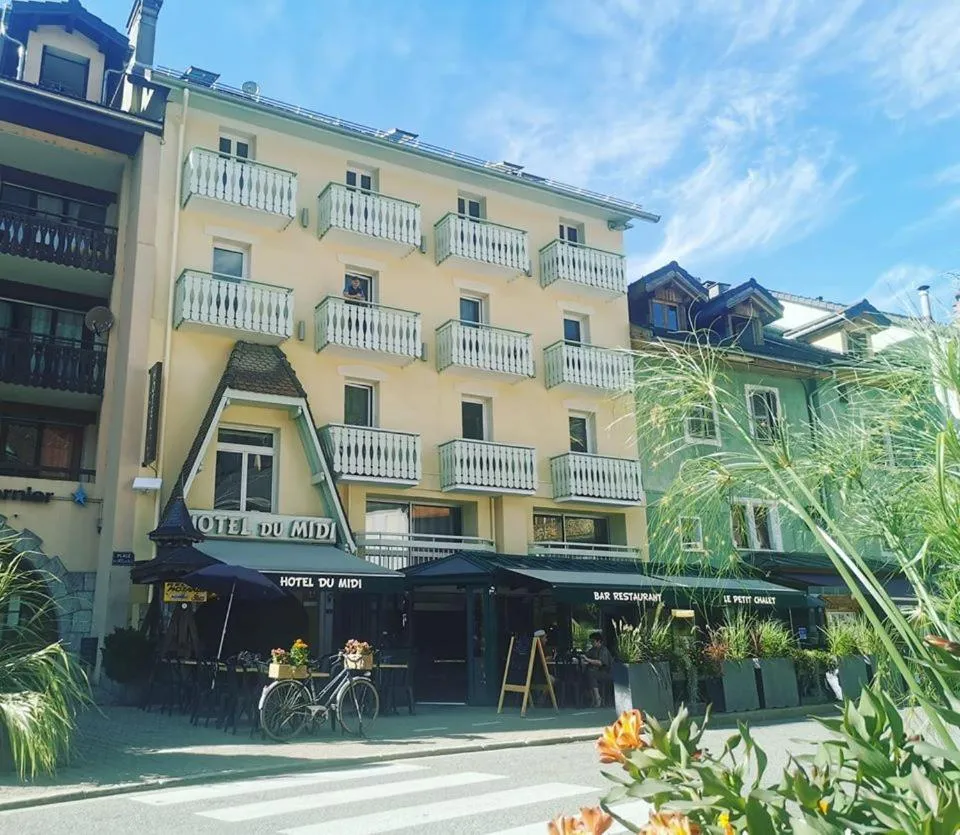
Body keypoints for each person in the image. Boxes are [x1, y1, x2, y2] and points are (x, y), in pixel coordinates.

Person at [581, 630, 613, 708]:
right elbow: (585, 655)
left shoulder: (603, 650)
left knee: (591, 674)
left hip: (607, 673)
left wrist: (588, 660)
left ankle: (597, 698)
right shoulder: (593, 650)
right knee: (586, 673)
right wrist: (582, 659)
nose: (592, 643)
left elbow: (600, 663)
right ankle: (592, 698)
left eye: (593, 641)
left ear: (599, 641)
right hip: (597, 672)